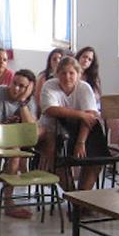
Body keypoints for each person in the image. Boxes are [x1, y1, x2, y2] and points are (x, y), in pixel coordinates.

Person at [0, 69, 40, 218]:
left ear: (29, 89)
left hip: (15, 143)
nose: (16, 88)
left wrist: (23, 102)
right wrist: (5, 128)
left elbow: (31, 131)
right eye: (14, 83)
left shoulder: (28, 101)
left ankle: (7, 197)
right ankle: (8, 201)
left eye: (22, 86)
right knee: (15, 148)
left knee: (15, 147)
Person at [39, 56, 102, 190]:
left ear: (79, 74)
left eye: (71, 73)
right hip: (53, 130)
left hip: (80, 130)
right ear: (57, 74)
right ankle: (72, 196)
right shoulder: (50, 85)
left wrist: (81, 142)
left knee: (96, 156)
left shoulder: (84, 87)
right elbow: (50, 110)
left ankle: (82, 199)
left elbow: (91, 116)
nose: (67, 77)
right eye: (63, 73)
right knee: (56, 156)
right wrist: (80, 114)